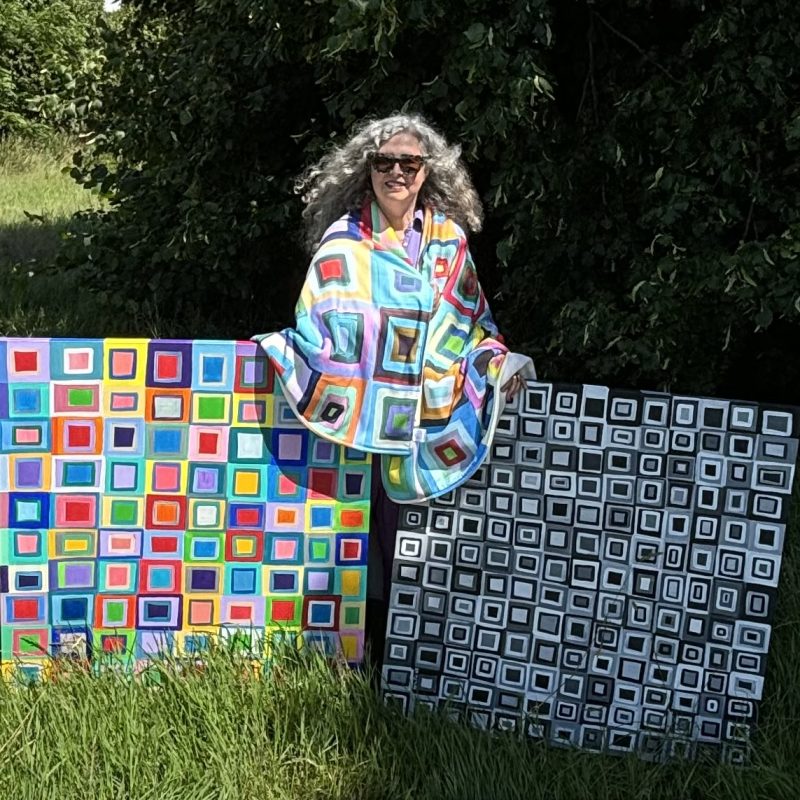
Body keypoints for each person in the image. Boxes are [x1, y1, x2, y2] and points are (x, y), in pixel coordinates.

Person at [254, 113, 535, 665]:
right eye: (385, 162)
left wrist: (496, 362)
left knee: (414, 540)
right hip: (358, 418)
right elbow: (320, 321)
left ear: (428, 173)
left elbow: (470, 323)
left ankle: (416, 659)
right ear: (369, 170)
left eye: (410, 163)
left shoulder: (448, 243)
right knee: (352, 538)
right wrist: (286, 353)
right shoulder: (343, 243)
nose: (397, 173)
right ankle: (354, 654)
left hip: (427, 417)